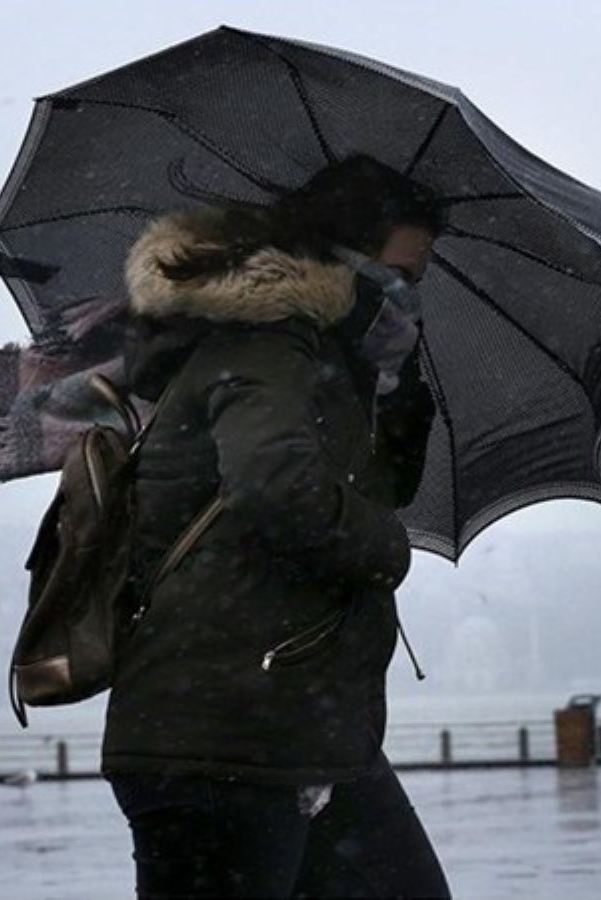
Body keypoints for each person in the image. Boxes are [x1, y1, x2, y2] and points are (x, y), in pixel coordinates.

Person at [103, 155, 450, 898]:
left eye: (418, 283)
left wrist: (395, 382)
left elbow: (379, 485)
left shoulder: (329, 362)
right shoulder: (267, 345)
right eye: (398, 277)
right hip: (223, 736)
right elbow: (275, 487)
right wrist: (390, 550)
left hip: (299, 730)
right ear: (341, 258)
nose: (406, 300)